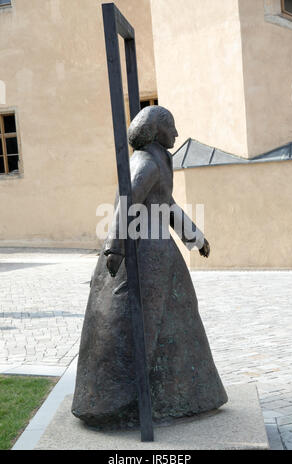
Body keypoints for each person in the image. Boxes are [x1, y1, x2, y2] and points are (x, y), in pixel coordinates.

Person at [72, 106, 228, 429]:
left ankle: (186, 394)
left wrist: (195, 238)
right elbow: (125, 204)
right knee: (135, 328)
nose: (176, 133)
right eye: (171, 127)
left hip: (160, 256)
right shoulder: (145, 162)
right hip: (142, 255)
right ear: (157, 132)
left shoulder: (158, 161)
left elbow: (167, 205)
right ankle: (117, 401)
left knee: (181, 315)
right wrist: (115, 247)